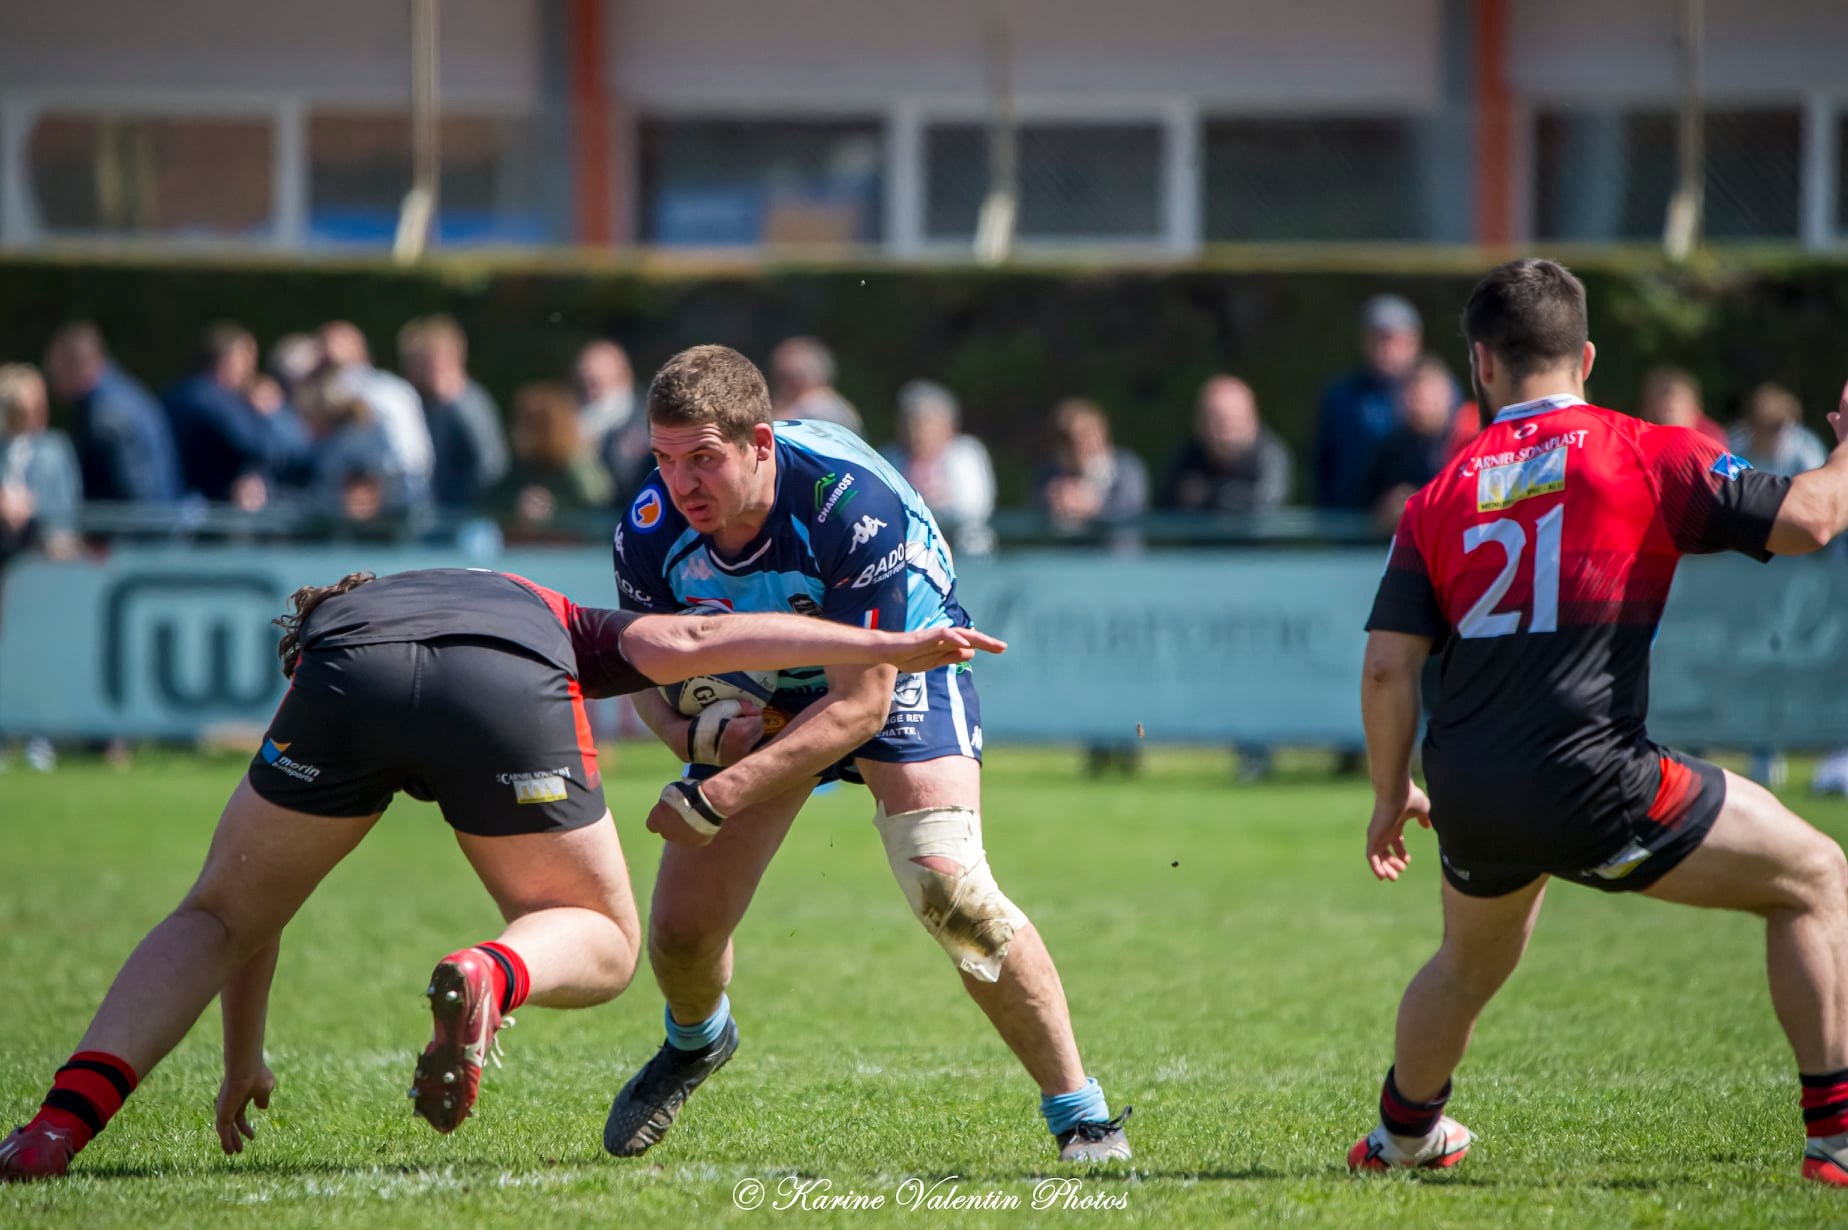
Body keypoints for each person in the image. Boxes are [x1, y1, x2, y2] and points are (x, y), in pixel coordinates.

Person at [0, 566, 1006, 1181]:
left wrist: (241, 1064)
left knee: (214, 912)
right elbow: (698, 639)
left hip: (348, 683)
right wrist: (889, 643)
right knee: (603, 940)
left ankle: (54, 1129)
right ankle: (493, 971)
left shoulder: (333, 637)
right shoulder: (541, 604)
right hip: (504, 674)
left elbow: (246, 921)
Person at [1350, 258, 1848, 1186]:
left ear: (1481, 366)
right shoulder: (1649, 452)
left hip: (1473, 788)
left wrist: (1390, 796)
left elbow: (1387, 666)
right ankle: (1837, 1143)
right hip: (1596, 778)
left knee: (1465, 962)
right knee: (1816, 877)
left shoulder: (1439, 493)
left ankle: (1401, 1137)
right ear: (1585, 356)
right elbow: (1813, 519)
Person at [608, 345, 1131, 1163]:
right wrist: (693, 737)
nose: (681, 485)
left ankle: (1083, 1117)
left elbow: (861, 703)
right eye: (666, 460)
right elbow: (643, 664)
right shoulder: (648, 527)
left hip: (899, 662)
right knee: (677, 934)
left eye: (703, 459)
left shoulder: (848, 506)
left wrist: (721, 790)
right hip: (769, 678)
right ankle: (695, 1042)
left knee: (948, 885)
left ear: (760, 445)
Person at [162, 323, 307, 507]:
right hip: (200, 508)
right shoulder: (211, 399)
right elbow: (259, 447)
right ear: (227, 362)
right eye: (247, 362)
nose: (250, 373)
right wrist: (269, 413)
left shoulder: (181, 393)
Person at [44, 322, 181, 506]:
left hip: (136, 528)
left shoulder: (104, 414)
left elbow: (126, 492)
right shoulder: (122, 392)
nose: (52, 378)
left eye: (57, 369)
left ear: (77, 364)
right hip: (157, 522)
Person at [1314, 295, 1424, 509]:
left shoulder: (1439, 392)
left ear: (1413, 343)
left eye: (1393, 339)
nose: (1385, 348)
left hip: (1422, 526)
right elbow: (1324, 465)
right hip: (1351, 524)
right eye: (1377, 338)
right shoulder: (1340, 396)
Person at [400, 316, 509, 513]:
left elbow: (490, 468)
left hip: (464, 522)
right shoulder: (426, 406)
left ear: (447, 359)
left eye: (419, 361)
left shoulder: (469, 404)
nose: (411, 369)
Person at [318, 321, 434, 502]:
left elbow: (409, 458)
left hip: (397, 509)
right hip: (339, 510)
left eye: (334, 363)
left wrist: (370, 482)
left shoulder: (386, 394)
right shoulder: (324, 397)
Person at [878, 379, 996, 556]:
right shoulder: (888, 457)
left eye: (923, 423)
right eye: (907, 422)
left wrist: (928, 506)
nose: (914, 431)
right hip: (905, 556)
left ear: (948, 425)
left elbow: (974, 508)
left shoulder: (965, 453)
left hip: (965, 553)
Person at [492, 383, 616, 541]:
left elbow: (600, 515)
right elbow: (488, 506)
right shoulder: (519, 466)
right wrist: (516, 508)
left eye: (527, 424)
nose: (516, 431)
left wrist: (554, 514)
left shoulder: (576, 468)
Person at [1160, 375, 1292, 515]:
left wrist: (1213, 494)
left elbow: (1267, 505)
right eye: (1210, 420)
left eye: (1229, 422)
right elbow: (1168, 500)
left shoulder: (1269, 456)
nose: (1219, 432)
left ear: (1252, 421)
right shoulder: (1189, 453)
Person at [1360, 354, 1464, 531]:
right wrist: (1387, 508)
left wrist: (1421, 504)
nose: (1420, 404)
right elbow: (1367, 508)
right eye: (1412, 394)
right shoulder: (1391, 449)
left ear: (1449, 395)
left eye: (1429, 393)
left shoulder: (1472, 438)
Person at [0, 365, 83, 564]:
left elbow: (66, 513)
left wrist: (31, 507)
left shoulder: (53, 449)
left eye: (38, 408)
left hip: (43, 554)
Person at [1035, 398, 1149, 534]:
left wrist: (1095, 507)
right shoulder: (1051, 470)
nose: (1082, 444)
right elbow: (1033, 507)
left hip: (1117, 553)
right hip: (1067, 553)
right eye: (1068, 440)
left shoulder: (1127, 467)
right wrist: (1053, 500)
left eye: (1086, 434)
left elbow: (1134, 512)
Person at [575, 340, 653, 504]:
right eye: (583, 383)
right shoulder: (573, 423)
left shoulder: (650, 422)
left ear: (623, 378)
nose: (589, 392)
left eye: (595, 383)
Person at [1730, 383, 1829, 478]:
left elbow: (1818, 487)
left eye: (1778, 427)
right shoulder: (1734, 447)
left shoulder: (1806, 449)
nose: (1776, 433)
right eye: (1768, 428)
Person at [769, 336, 863, 433]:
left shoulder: (814, 406)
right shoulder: (839, 405)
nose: (782, 386)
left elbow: (778, 430)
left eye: (788, 377)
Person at [1639, 365, 1729, 448]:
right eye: (1659, 398)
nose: (1667, 403)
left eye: (1676, 397)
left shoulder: (1711, 440)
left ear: (1695, 407)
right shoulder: (1641, 439)